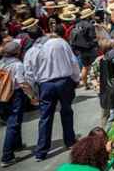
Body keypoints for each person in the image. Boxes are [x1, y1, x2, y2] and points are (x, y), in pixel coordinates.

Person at [24, 24, 80, 161]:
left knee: (45, 117)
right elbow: (73, 62)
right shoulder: (60, 43)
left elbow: (29, 73)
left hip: (45, 85)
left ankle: (41, 151)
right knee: (66, 111)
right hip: (63, 82)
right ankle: (70, 142)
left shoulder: (31, 51)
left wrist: (32, 92)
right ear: (43, 31)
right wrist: (76, 79)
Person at [0, 41, 37, 167]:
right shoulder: (17, 65)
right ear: (17, 52)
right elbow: (22, 83)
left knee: (12, 122)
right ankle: (7, 157)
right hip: (14, 96)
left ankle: (17, 145)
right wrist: (32, 96)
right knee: (13, 124)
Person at [70, 9, 98, 89]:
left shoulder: (77, 25)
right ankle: (96, 84)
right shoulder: (89, 25)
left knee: (85, 67)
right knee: (94, 67)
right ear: (88, 16)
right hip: (91, 49)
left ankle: (85, 84)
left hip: (81, 50)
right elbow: (93, 38)